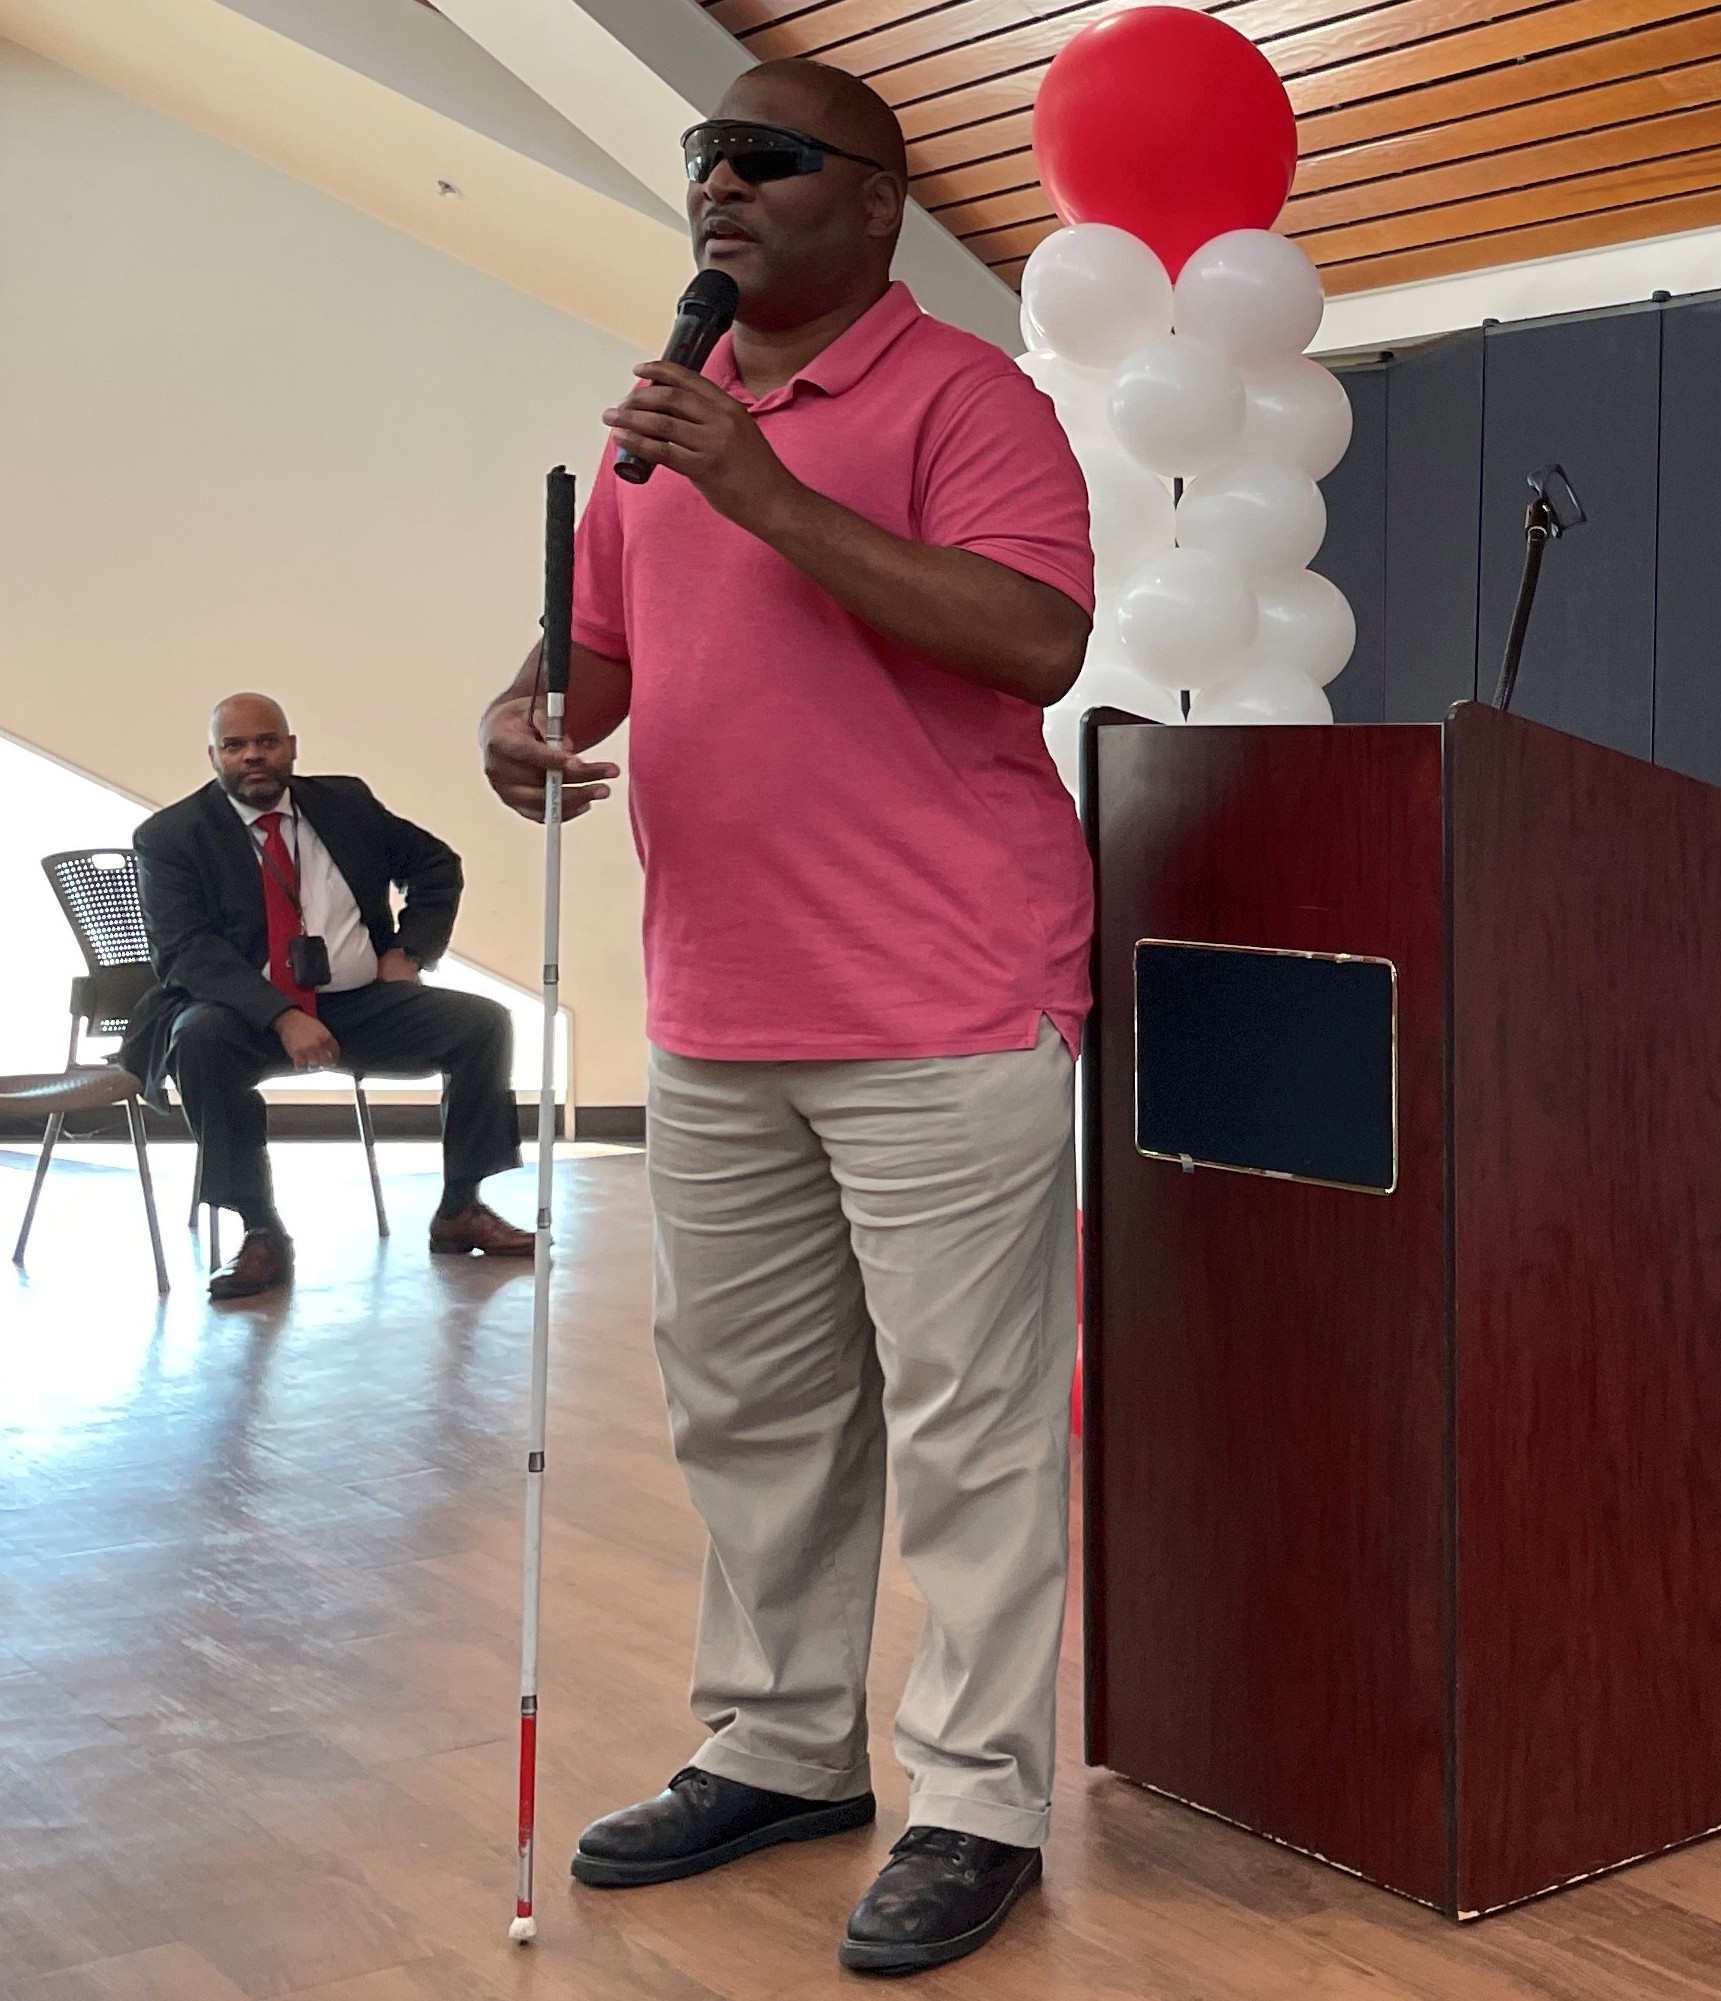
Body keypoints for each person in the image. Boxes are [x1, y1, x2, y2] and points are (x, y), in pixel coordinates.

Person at [479, 59, 1093, 1979]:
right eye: (700, 156)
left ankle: (981, 1795)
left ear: (879, 204)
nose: (718, 183)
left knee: (971, 1430)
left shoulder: (970, 398)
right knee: (750, 1416)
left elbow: (1034, 637)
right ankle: (780, 1747)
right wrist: (526, 719)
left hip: (943, 1004)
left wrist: (765, 489)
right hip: (717, 1007)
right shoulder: (664, 423)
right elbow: (594, 648)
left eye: (767, 156)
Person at [126, 693, 532, 1300]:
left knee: (483, 1024)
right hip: (243, 1013)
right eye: (235, 747)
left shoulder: (344, 802)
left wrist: (408, 952)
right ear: (214, 756)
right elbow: (186, 950)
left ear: (291, 747)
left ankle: (459, 1209)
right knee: (200, 1040)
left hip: (358, 1003)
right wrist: (282, 1014)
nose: (252, 757)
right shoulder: (172, 836)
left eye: (266, 741)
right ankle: (259, 1229)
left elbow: (436, 866)